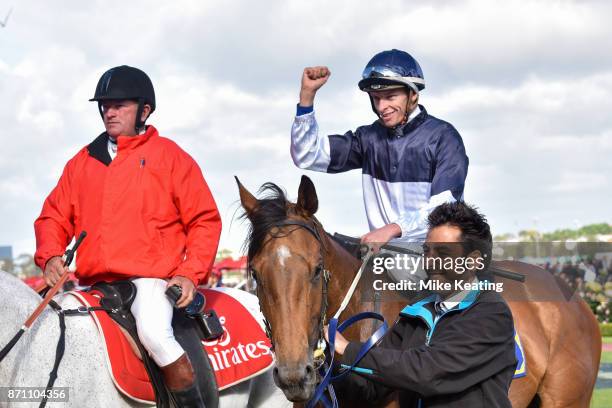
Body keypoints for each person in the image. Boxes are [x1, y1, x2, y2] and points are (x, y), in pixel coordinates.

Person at [34, 65, 222, 407]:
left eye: (119, 104)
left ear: (144, 110)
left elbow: (204, 221)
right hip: (94, 285)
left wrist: (188, 273)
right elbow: (53, 216)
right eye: (105, 104)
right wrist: (49, 255)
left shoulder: (171, 157)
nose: (109, 111)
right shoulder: (81, 162)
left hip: (150, 283)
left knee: (155, 334)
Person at [325, 201, 516, 407]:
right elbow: (371, 387)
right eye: (427, 250)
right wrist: (321, 366)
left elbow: (427, 373)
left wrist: (347, 349)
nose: (430, 260)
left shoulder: (491, 314)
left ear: (474, 261)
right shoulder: (417, 310)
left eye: (442, 253)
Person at [291, 49, 469, 248]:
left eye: (390, 97)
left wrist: (393, 228)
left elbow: (445, 209)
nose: (382, 106)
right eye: (376, 98)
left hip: (436, 257)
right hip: (384, 256)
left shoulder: (444, 137)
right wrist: (307, 97)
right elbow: (305, 155)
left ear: (413, 95)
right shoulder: (367, 139)